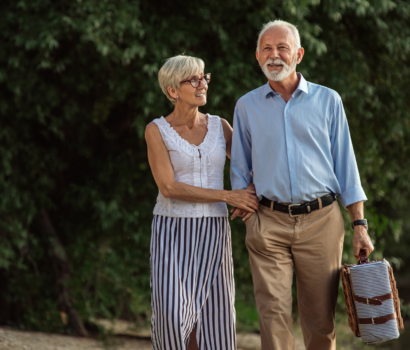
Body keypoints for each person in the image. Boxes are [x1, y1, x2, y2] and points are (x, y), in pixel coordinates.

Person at [230, 20, 374, 350]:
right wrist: (251, 216)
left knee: (320, 321)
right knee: (272, 316)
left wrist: (360, 226)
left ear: (299, 54)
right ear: (257, 56)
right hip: (268, 221)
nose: (274, 55)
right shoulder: (246, 106)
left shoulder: (328, 101)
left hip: (322, 221)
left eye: (282, 47)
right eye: (267, 48)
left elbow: (346, 167)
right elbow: (239, 168)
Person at [145, 55, 259, 350]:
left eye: (204, 77)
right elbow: (168, 187)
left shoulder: (220, 126)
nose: (202, 84)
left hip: (213, 230)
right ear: (172, 91)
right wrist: (228, 195)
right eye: (193, 80)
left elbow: (251, 168)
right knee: (172, 315)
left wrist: (249, 193)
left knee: (213, 315)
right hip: (171, 229)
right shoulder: (156, 130)